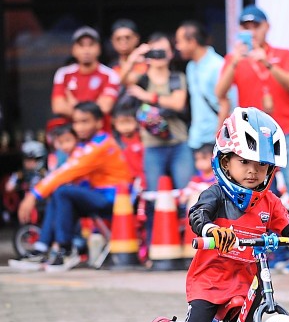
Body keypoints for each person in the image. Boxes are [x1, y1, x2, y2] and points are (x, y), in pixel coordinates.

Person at [132, 107, 289, 322]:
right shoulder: (216, 195)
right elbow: (198, 215)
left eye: (261, 165)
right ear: (225, 162)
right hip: (211, 278)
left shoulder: (269, 202)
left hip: (246, 278)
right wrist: (211, 230)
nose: (253, 171)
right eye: (244, 162)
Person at [215, 5, 289, 270]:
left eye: (255, 25)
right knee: (261, 192)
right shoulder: (235, 57)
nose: (251, 31)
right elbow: (220, 91)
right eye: (245, 27)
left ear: (266, 27)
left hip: (288, 129)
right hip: (254, 138)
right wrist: (236, 60)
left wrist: (266, 62)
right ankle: (276, 251)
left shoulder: (282, 54)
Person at [18, 101, 132, 268]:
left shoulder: (101, 145)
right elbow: (66, 172)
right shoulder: (86, 146)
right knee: (60, 192)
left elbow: (67, 171)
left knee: (63, 192)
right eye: (76, 122)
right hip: (98, 196)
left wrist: (33, 195)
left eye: (84, 121)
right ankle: (43, 248)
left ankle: (65, 250)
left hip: (115, 199)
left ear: (99, 122)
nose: (78, 127)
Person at [122, 32, 193, 193]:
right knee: (153, 196)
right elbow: (121, 79)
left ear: (170, 54)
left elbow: (177, 103)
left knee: (186, 193)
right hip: (152, 145)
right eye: (155, 51)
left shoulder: (177, 77)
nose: (159, 55)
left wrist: (146, 96)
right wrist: (134, 57)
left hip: (179, 142)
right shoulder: (142, 78)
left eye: (163, 51)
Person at [175, 20, 233, 151]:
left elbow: (227, 102)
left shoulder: (217, 65)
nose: (178, 47)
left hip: (215, 138)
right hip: (196, 137)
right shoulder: (191, 66)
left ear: (192, 42)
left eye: (179, 41)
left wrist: (219, 135)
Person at [51, 26, 121, 125]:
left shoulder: (111, 74)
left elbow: (105, 107)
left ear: (99, 49)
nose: (86, 50)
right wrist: (92, 109)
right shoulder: (63, 73)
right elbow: (58, 107)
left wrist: (75, 104)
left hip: (100, 136)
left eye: (91, 45)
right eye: (81, 45)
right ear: (73, 50)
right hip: (71, 134)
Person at [110, 100, 145, 187]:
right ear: (114, 124)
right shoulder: (114, 143)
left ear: (136, 122)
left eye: (128, 122)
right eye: (121, 123)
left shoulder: (143, 139)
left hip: (143, 178)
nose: (125, 127)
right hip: (125, 181)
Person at [109, 19, 144, 85]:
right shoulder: (110, 68)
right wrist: (131, 60)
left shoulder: (146, 63)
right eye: (118, 39)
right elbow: (115, 84)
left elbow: (132, 81)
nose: (123, 42)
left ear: (136, 38)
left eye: (127, 37)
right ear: (112, 41)